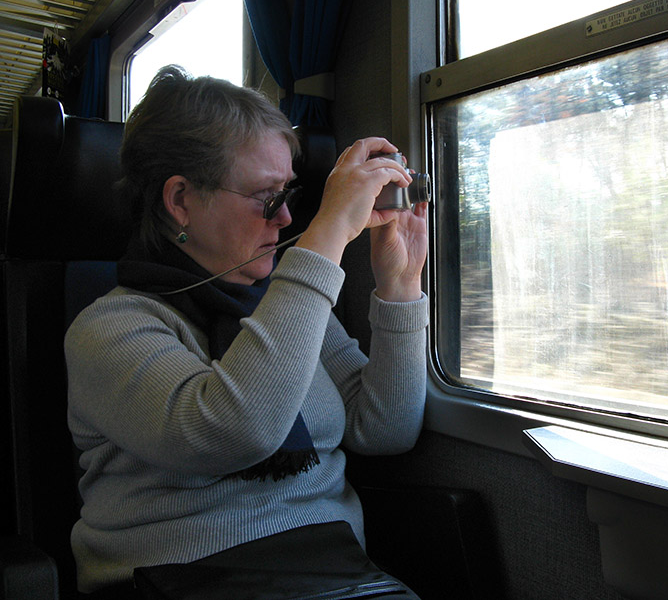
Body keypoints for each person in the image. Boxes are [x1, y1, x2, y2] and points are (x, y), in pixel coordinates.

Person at [65, 65, 428, 597]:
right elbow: (235, 432)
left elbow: (384, 429)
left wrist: (399, 286)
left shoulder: (290, 305)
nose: (285, 218)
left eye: (289, 194)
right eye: (266, 198)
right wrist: (324, 237)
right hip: (175, 583)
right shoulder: (108, 330)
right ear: (181, 201)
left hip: (333, 575)